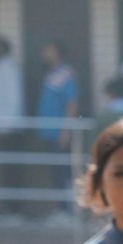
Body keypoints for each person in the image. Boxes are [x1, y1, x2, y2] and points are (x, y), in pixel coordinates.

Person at [37, 41, 81, 213]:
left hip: (60, 131)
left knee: (64, 171)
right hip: (48, 130)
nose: (45, 53)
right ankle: (61, 209)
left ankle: (69, 210)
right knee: (55, 171)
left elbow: (73, 102)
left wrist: (66, 130)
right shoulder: (51, 73)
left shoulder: (66, 73)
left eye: (48, 50)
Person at [0, 37, 25, 216]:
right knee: (6, 170)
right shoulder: (0, 67)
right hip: (2, 128)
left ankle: (13, 211)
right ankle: (9, 210)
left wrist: (8, 126)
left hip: (9, 129)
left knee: (11, 171)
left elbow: (13, 99)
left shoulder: (8, 68)